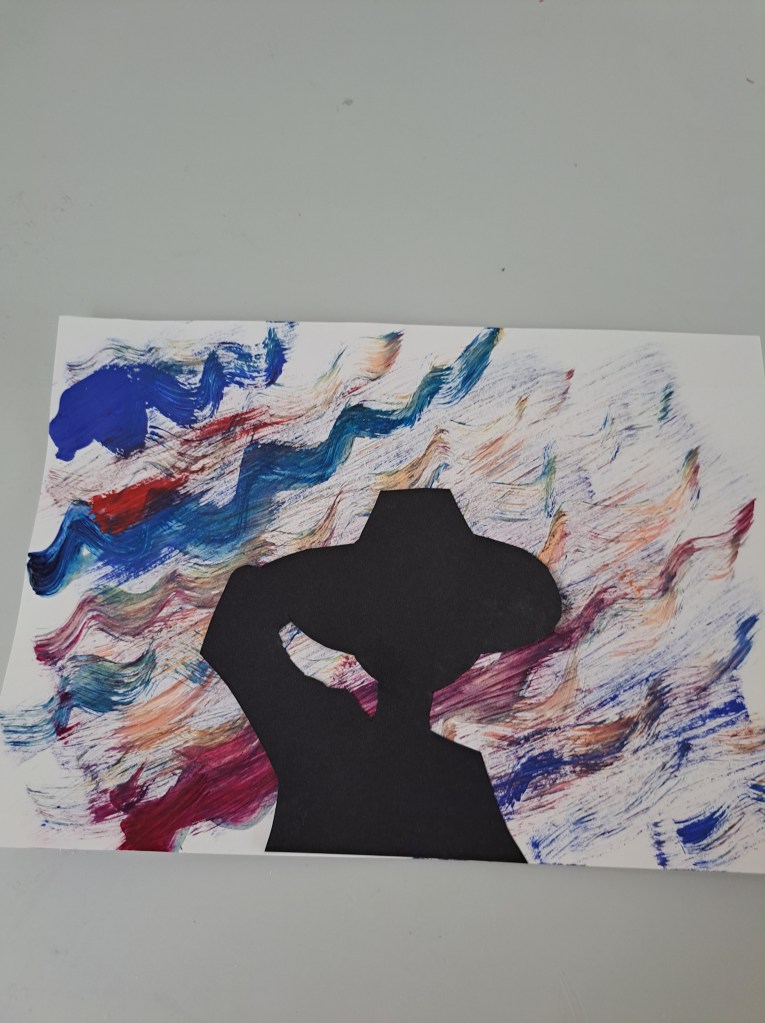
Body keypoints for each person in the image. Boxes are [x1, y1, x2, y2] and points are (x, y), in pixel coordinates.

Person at [202, 488, 561, 862]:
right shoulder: (454, 779)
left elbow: (236, 625)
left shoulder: (322, 736)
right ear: (465, 649)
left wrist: (294, 584)